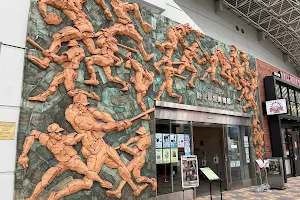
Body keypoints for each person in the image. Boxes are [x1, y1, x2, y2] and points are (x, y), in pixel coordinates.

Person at [48, 93, 147, 200]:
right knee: (88, 183)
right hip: (93, 151)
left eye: (86, 105)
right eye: (83, 105)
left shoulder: (86, 110)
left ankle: (133, 188)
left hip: (101, 144)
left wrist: (116, 123)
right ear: (77, 104)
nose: (85, 107)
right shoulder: (77, 118)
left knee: (120, 164)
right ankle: (56, 195)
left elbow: (102, 116)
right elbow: (101, 127)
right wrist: (117, 125)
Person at [18, 123, 112, 200]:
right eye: (57, 133)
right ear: (51, 134)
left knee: (88, 177)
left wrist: (101, 181)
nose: (60, 134)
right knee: (46, 179)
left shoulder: (67, 138)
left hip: (74, 161)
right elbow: (32, 134)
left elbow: (80, 136)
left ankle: (56, 196)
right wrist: (23, 155)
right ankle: (32, 198)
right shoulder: (46, 139)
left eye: (60, 132)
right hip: (62, 163)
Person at [106, 127, 157, 198]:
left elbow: (134, 152)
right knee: (138, 179)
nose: (138, 134)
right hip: (138, 158)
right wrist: (126, 144)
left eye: (140, 133)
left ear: (143, 134)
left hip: (138, 159)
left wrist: (125, 148)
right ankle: (151, 181)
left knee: (125, 172)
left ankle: (118, 190)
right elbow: (133, 139)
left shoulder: (143, 140)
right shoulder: (145, 136)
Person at [125, 52, 154, 119]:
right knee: (139, 102)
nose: (146, 73)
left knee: (139, 71)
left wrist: (130, 58)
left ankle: (130, 58)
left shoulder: (149, 79)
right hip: (140, 90)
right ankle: (146, 115)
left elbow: (140, 70)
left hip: (141, 88)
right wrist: (134, 81)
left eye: (148, 73)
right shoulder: (144, 80)